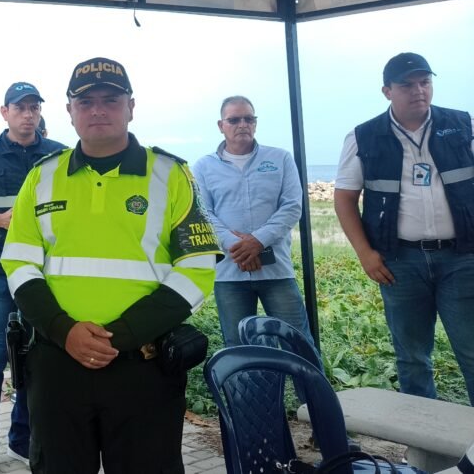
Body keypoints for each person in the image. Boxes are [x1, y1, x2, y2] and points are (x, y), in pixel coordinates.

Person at [0, 57, 220, 473]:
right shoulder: (42, 177)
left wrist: (118, 338)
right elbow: (19, 263)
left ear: (131, 107)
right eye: (86, 102)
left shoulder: (171, 174)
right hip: (58, 363)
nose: (98, 110)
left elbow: (197, 267)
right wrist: (65, 332)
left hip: (143, 365)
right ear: (69, 111)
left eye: (110, 100)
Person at [334, 52, 474, 403]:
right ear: (387, 91)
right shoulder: (364, 136)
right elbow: (345, 198)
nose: (418, 91)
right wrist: (365, 254)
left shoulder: (463, 126)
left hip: (462, 259)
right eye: (407, 85)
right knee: (411, 359)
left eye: (425, 82)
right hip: (400, 263)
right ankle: (422, 437)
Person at [0, 81, 65, 473]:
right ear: (4, 112)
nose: (28, 114)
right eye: (20, 108)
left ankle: (22, 440)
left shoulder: (59, 155)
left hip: (45, 273)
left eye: (34, 107)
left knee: (36, 358)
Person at [192, 96, 311, 347]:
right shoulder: (203, 166)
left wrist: (258, 241)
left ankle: (306, 378)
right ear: (221, 125)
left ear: (255, 123)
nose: (242, 124)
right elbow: (203, 213)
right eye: (234, 120)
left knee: (297, 342)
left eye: (248, 119)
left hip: (276, 269)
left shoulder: (280, 159)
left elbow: (292, 206)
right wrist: (239, 246)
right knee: (239, 346)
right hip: (229, 272)